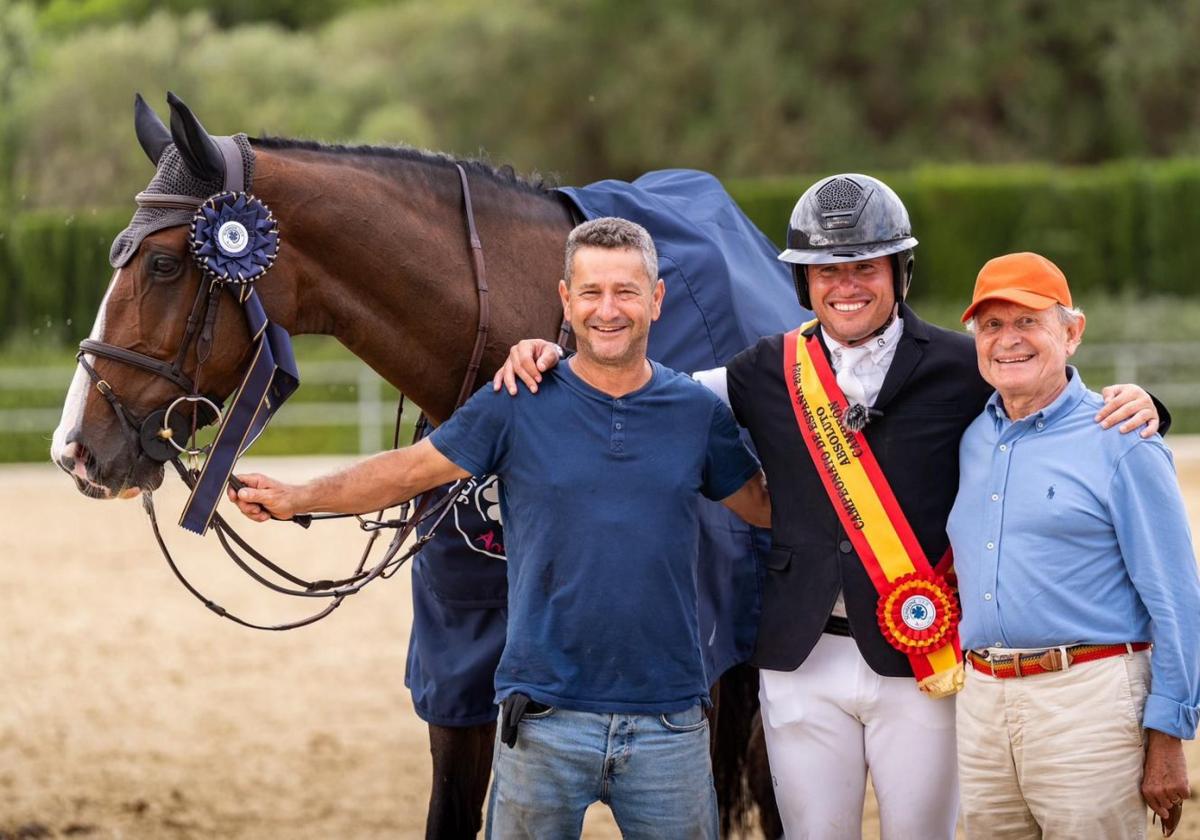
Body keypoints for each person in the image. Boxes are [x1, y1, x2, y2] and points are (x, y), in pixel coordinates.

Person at [492, 174, 1163, 839]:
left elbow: (1042, 391)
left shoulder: (964, 366)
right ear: (804, 282)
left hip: (919, 658)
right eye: (824, 270)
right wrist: (555, 359)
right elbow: (648, 391)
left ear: (899, 272)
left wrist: (1141, 403)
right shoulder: (762, 369)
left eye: (864, 266)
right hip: (800, 659)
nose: (844, 284)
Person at [228, 217, 770, 839]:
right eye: (591, 292)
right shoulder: (518, 400)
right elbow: (409, 470)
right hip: (543, 722)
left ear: (657, 299)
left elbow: (763, 505)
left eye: (626, 291)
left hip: (669, 726)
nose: (608, 309)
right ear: (565, 300)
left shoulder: (696, 414)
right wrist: (300, 497)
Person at [947, 252, 1200, 839]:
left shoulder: (1123, 438)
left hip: (1088, 700)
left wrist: (1168, 734)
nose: (1008, 340)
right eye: (992, 326)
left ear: (1072, 332)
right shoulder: (971, 436)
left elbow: (1176, 597)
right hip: (982, 702)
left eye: (1027, 321)